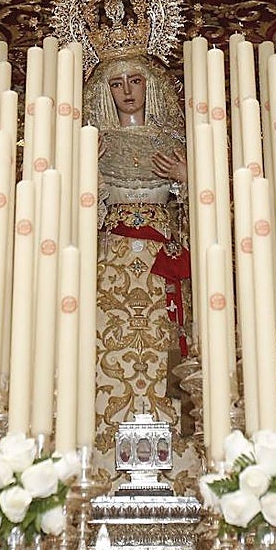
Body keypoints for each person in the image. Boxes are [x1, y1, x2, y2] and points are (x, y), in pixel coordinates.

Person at [84, 47, 196, 486]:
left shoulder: (174, 143)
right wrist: (84, 173)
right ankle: (103, 455)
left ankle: (173, 456)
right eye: (116, 83)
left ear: (151, 86)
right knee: (102, 350)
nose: (127, 92)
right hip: (110, 266)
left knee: (163, 350)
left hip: (160, 266)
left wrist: (190, 178)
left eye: (135, 81)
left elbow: (204, 211)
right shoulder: (96, 145)